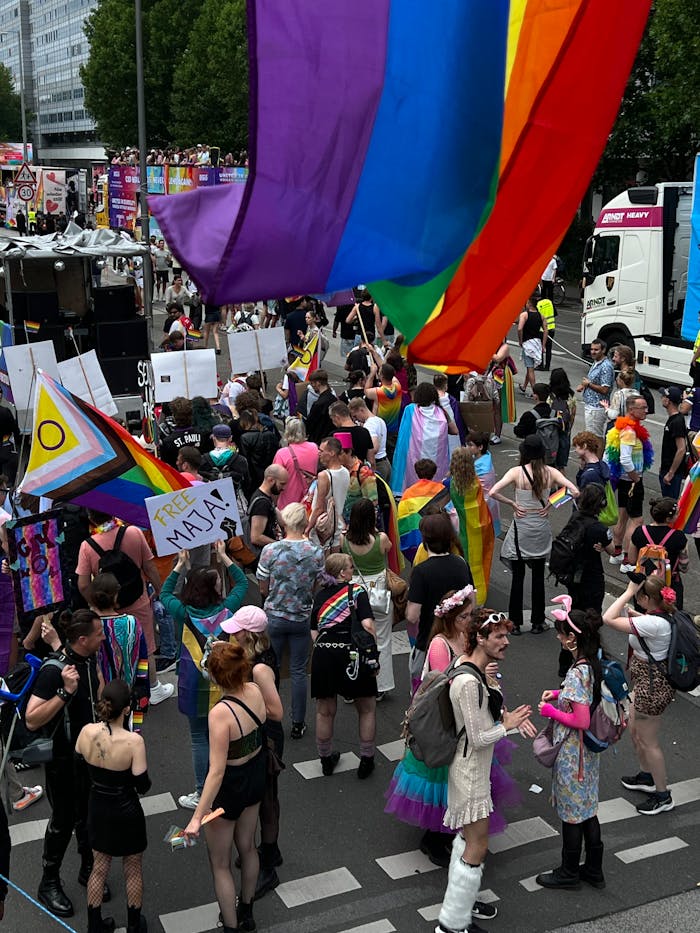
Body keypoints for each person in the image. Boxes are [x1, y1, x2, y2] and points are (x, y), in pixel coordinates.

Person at [434, 611, 532, 933]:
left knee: (467, 842)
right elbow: (478, 738)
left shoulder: (473, 670)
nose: (506, 642)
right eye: (499, 636)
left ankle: (457, 916)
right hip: (470, 773)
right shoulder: (466, 682)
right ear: (480, 638)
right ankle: (452, 924)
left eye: (506, 635)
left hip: (473, 770)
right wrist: (507, 725)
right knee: (477, 846)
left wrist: (493, 690)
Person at [385, 586, 477, 866]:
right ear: (449, 618)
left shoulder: (465, 637)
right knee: (442, 783)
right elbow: (443, 688)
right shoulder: (440, 644)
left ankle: (449, 834)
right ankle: (434, 839)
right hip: (444, 724)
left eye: (471, 615)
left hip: (463, 721)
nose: (469, 621)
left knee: (459, 781)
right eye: (464, 616)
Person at [25, 610, 106, 918]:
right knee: (62, 822)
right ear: (83, 639)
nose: (103, 637)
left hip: (89, 755)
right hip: (63, 761)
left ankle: (88, 869)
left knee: (87, 815)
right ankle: (48, 882)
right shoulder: (54, 671)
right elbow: (32, 719)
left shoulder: (87, 658)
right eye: (99, 633)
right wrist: (64, 693)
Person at [183, 642, 267, 933]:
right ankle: (248, 910)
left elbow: (216, 771)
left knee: (220, 864)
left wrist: (197, 817)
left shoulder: (219, 714)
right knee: (248, 847)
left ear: (216, 677)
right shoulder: (255, 691)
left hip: (229, 787)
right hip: (256, 774)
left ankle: (231, 926)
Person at [160, 540, 248, 810]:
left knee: (199, 738)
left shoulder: (183, 612)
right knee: (226, 736)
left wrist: (179, 565)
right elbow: (242, 584)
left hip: (192, 683)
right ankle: (227, 784)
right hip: (223, 682)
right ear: (213, 591)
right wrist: (223, 556)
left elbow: (164, 593)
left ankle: (202, 791)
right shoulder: (227, 611)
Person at [535, 599, 605, 890]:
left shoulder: (576, 672)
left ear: (572, 638)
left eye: (561, 633)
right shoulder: (592, 663)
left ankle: (568, 872)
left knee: (571, 815)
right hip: (588, 755)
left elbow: (581, 719)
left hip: (572, 753)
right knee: (588, 809)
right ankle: (593, 869)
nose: (558, 638)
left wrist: (551, 711)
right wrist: (557, 693)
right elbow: (584, 699)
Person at [75, 680, 151, 933]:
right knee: (133, 869)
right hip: (126, 810)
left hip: (98, 807)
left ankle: (94, 925)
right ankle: (133, 925)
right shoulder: (133, 742)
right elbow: (142, 785)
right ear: (126, 709)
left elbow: (79, 763)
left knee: (98, 869)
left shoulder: (86, 731)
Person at [77, 511, 173, 706]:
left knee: (110, 648)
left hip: (108, 607)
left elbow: (83, 584)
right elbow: (150, 567)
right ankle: (152, 688)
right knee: (146, 645)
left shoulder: (87, 546)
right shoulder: (134, 533)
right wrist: (160, 590)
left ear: (91, 518)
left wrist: (96, 603)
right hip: (138, 599)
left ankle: (115, 691)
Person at [222, 607, 284, 899]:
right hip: (257, 735)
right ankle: (265, 851)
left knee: (266, 799)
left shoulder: (260, 668)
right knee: (260, 798)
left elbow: (276, 711)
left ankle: (268, 861)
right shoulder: (250, 658)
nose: (229, 634)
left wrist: (246, 704)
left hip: (267, 738)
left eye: (234, 630)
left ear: (248, 634)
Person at [490, 435, 579, 634]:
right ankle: (538, 621)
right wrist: (550, 503)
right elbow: (574, 491)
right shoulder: (551, 472)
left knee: (518, 577)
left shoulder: (516, 472)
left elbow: (493, 491)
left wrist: (512, 503)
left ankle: (515, 623)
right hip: (540, 527)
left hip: (521, 526)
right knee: (538, 577)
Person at [602, 577, 676, 815]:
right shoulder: (659, 618)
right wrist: (634, 610)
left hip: (651, 688)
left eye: (638, 595)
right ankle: (647, 776)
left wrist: (627, 591)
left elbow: (608, 619)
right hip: (647, 683)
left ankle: (663, 795)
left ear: (646, 599)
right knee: (634, 729)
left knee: (648, 741)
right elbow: (649, 624)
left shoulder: (653, 623)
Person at [257, 502, 324, 739]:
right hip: (301, 616)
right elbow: (318, 584)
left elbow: (263, 585)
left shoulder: (271, 551)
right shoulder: (316, 552)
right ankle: (298, 723)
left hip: (275, 614)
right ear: (305, 522)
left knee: (269, 669)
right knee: (298, 671)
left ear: (284, 522)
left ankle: (270, 717)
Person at [309, 553, 378, 778]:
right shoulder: (357, 591)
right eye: (350, 566)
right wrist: (373, 657)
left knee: (325, 711)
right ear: (341, 573)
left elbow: (313, 631)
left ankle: (326, 759)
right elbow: (367, 625)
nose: (352, 570)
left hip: (324, 653)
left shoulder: (319, 596)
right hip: (353, 653)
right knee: (366, 707)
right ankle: (366, 759)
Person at [405, 513, 473, 690]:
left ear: (425, 540)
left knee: (424, 692)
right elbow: (473, 600)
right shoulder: (461, 563)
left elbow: (412, 616)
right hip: (458, 640)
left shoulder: (421, 571)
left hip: (428, 640)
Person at [342, 498, 394, 697]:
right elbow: (388, 552)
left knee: (351, 636)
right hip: (377, 589)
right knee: (381, 638)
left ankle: (351, 682)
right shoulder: (381, 539)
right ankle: (380, 685)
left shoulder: (343, 540)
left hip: (353, 590)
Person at [89, 573, 150, 730]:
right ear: (116, 595)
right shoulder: (131, 623)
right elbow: (143, 659)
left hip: (98, 697)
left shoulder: (89, 627)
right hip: (128, 696)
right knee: (131, 738)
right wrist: (143, 689)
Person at [605, 393, 653, 572]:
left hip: (625, 481)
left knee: (623, 515)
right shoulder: (629, 431)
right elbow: (625, 459)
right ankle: (627, 559)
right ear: (632, 410)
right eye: (643, 407)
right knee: (637, 520)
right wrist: (635, 477)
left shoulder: (626, 427)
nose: (646, 410)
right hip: (631, 481)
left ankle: (616, 552)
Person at [447, 448, 495, 603]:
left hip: (461, 530)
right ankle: (480, 599)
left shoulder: (451, 484)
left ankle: (464, 598)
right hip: (481, 529)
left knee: (462, 565)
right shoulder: (475, 481)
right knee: (480, 564)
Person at [391, 383, 457, 494]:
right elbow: (455, 431)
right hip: (436, 461)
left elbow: (403, 436)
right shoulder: (441, 412)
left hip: (414, 460)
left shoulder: (410, 410)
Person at [627, 498, 688, 609]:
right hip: (669, 586)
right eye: (677, 514)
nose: (678, 515)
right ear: (668, 518)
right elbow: (684, 567)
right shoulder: (679, 537)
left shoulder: (639, 532)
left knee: (642, 621)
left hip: (644, 585)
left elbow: (631, 559)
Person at [396, 458, 445, 563]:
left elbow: (402, 518)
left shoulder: (408, 493)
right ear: (434, 473)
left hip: (417, 540)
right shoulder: (441, 489)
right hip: (439, 536)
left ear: (417, 473)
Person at [305, 436, 350, 550]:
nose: (318, 453)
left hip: (322, 528)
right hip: (337, 526)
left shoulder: (324, 476)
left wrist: (307, 529)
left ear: (332, 453)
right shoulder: (345, 471)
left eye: (321, 451)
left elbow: (319, 507)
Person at [576, 339, 615, 451]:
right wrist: (584, 385)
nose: (593, 352)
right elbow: (592, 380)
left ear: (603, 350)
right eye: (592, 349)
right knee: (591, 435)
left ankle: (597, 461)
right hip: (590, 405)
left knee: (596, 437)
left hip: (597, 407)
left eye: (596, 350)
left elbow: (605, 389)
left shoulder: (606, 367)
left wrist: (589, 384)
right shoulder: (596, 362)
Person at [272, 417, 319, 508]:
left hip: (289, 503)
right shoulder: (314, 447)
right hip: (310, 500)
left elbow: (275, 482)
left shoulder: (282, 454)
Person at [364, 352, 403, 458]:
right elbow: (385, 369)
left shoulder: (379, 392)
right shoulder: (397, 386)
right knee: (391, 455)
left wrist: (372, 374)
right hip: (394, 429)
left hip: (381, 429)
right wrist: (374, 353)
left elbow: (366, 391)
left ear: (381, 376)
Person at [199, 423, 251, 497]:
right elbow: (247, 484)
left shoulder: (203, 460)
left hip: (211, 503)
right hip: (235, 501)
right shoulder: (241, 460)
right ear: (230, 438)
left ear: (213, 438)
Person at [246, 464, 288, 554]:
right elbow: (256, 537)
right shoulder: (262, 503)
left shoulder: (266, 497)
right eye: (282, 484)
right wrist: (280, 545)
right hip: (263, 556)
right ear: (271, 480)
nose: (284, 488)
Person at [337, 434, 378, 522]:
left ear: (349, 452)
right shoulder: (338, 470)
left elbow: (372, 503)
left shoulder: (364, 472)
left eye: (340, 454)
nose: (337, 457)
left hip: (359, 523)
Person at [465, 432, 500, 535]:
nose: (467, 447)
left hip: (482, 504)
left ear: (480, 447)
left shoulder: (481, 467)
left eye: (470, 445)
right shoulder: (485, 458)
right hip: (488, 502)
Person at [348, 396, 390, 481]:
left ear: (361, 410)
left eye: (355, 416)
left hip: (377, 465)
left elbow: (374, 448)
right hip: (386, 462)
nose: (356, 420)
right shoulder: (379, 420)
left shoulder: (369, 425)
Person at [238, 409, 280, 490]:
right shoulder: (270, 434)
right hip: (272, 472)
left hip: (255, 475)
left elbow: (246, 459)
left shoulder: (245, 438)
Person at [658, 386, 688, 498]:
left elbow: (681, 449)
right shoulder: (674, 419)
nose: (661, 398)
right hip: (667, 469)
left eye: (664, 396)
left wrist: (670, 473)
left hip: (672, 474)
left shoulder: (677, 422)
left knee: (669, 504)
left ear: (668, 401)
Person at [517, 297, 546, 394]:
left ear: (529, 303)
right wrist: (543, 345)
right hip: (537, 343)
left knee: (530, 369)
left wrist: (520, 340)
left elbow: (520, 328)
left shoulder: (524, 315)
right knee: (531, 368)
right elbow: (546, 330)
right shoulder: (541, 316)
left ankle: (535, 392)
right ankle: (524, 386)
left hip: (528, 344)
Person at [549, 368, 576, 472]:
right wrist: (568, 430)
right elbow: (572, 415)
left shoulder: (550, 395)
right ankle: (562, 486)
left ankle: (551, 487)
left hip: (552, 432)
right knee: (561, 466)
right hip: (564, 431)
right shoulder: (571, 396)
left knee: (550, 465)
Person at [305, 370, 336, 444]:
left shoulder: (318, 404)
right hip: (330, 439)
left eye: (312, 383)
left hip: (317, 439)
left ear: (318, 383)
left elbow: (309, 425)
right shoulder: (334, 399)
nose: (312, 386)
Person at [537, 297, 556, 371]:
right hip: (551, 328)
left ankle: (541, 365)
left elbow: (537, 317)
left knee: (540, 347)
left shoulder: (538, 305)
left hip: (542, 330)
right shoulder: (549, 302)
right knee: (549, 349)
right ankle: (547, 366)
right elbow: (555, 314)